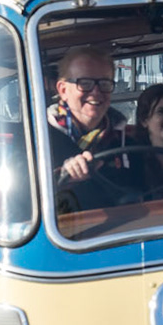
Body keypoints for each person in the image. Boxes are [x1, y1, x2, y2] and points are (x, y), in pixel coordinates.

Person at [46, 46, 136, 212]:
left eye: (104, 83)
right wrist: (61, 176)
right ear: (63, 90)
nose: (96, 92)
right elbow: (20, 197)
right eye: (85, 83)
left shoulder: (127, 144)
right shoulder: (35, 139)